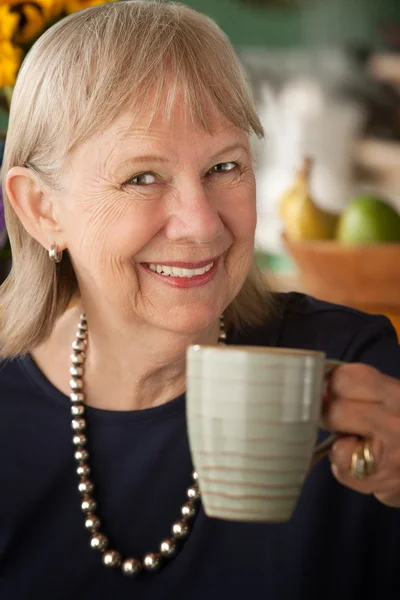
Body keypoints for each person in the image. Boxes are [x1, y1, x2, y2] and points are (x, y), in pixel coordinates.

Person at [1, 2, 400, 599]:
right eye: (142, 177)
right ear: (41, 209)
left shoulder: (355, 365)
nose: (203, 225)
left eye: (224, 166)